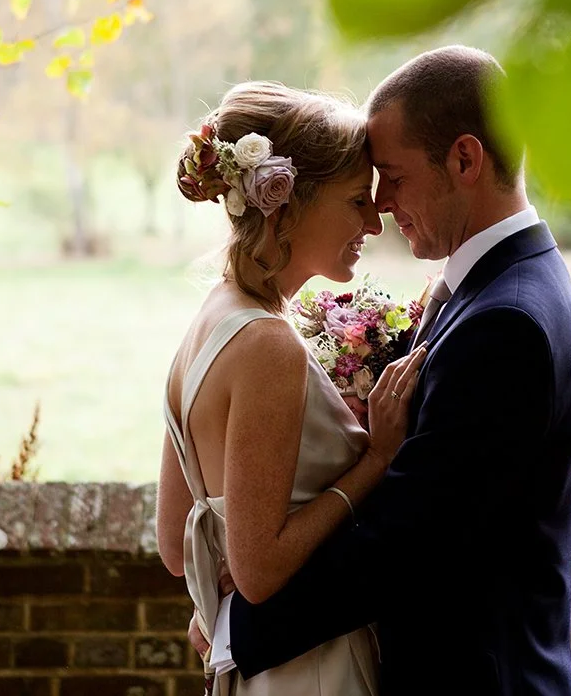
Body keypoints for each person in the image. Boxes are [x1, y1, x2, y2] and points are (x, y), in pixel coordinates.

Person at [210, 46, 571, 696]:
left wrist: (237, 626)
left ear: (465, 160)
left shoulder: (507, 325)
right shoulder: (500, 286)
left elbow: (404, 546)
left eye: (393, 174)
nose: (382, 204)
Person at [157, 81, 426, 696]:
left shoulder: (209, 319)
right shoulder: (269, 346)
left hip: (253, 668)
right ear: (286, 203)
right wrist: (377, 460)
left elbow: (176, 544)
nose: (372, 222)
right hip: (311, 666)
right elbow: (258, 572)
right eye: (357, 200)